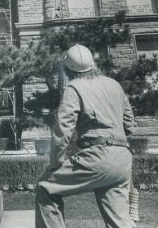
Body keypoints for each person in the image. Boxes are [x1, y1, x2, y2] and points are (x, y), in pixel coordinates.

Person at [36, 44, 135, 228]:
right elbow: (130, 124)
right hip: (122, 159)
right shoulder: (114, 84)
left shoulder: (74, 87)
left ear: (67, 70)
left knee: (45, 187)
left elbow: (63, 131)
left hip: (98, 157)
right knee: (119, 221)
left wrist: (55, 164)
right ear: (93, 64)